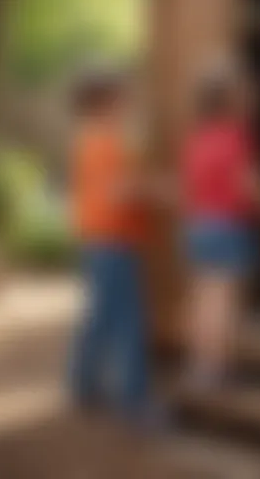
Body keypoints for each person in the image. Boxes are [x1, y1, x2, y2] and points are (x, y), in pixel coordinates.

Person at [182, 59, 260, 390]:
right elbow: (250, 185)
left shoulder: (199, 136)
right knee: (223, 301)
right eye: (249, 95)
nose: (255, 100)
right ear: (232, 101)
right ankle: (217, 368)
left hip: (198, 225)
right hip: (229, 227)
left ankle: (201, 365)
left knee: (203, 297)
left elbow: (193, 183)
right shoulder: (239, 137)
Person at [68, 66, 158, 426]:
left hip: (98, 240)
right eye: (125, 97)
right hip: (114, 242)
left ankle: (82, 386)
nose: (130, 102)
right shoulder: (106, 143)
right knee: (128, 323)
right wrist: (157, 190)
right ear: (107, 102)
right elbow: (119, 192)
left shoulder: (89, 138)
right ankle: (134, 401)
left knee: (99, 319)